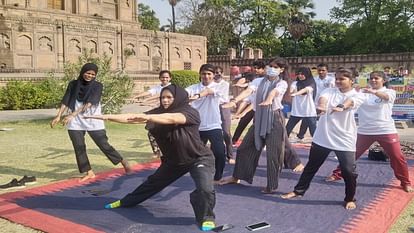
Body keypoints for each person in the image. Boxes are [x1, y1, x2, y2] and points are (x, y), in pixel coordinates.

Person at [85, 84, 217, 231]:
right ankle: (126, 202)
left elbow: (172, 118)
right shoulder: (156, 112)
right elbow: (131, 118)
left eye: (169, 97)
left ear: (177, 97)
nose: (165, 100)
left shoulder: (189, 111)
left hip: (199, 157)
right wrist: (105, 117)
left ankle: (207, 217)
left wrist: (147, 117)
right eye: (162, 97)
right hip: (174, 161)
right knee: (152, 183)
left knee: (205, 188)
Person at [281, 68, 364, 210]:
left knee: (349, 171)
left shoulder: (358, 95)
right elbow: (323, 99)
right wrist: (322, 106)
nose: (338, 81)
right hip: (323, 137)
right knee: (311, 167)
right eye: (337, 78)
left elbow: (350, 102)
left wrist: (341, 107)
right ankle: (298, 190)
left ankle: (350, 198)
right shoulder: (329, 91)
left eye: (342, 79)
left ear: (351, 81)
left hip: (344, 139)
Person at [220, 58, 302, 193]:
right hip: (259, 119)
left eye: (275, 67)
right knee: (244, 148)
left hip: (274, 118)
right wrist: (234, 101)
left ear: (281, 70)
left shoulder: (282, 83)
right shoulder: (258, 81)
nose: (271, 69)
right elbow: (248, 91)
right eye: (270, 66)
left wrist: (269, 99)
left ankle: (271, 185)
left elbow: (274, 92)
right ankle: (237, 177)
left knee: (273, 154)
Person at [325, 71, 413, 192]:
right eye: (371, 78)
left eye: (376, 78)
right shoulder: (362, 93)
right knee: (351, 155)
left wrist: (374, 92)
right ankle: (337, 174)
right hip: (364, 131)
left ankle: (405, 182)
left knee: (397, 157)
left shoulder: (389, 92)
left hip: (386, 130)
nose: (373, 80)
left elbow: (386, 98)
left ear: (383, 80)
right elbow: (350, 101)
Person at [50, 63, 132, 182]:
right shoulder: (73, 84)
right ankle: (89, 172)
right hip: (75, 121)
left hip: (92, 118)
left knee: (103, 144)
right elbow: (66, 99)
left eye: (93, 74)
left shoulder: (97, 86)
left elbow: (89, 103)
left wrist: (72, 114)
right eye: (88, 73)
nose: (90, 76)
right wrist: (58, 116)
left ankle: (123, 161)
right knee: (79, 146)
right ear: (83, 71)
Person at [186, 64, 227, 183]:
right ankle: (198, 174)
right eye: (204, 73)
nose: (206, 76)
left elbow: (208, 91)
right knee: (194, 153)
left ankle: (217, 177)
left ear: (214, 75)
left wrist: (197, 96)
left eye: (209, 74)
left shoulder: (219, 87)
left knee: (219, 152)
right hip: (197, 126)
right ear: (200, 74)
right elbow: (181, 94)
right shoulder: (192, 88)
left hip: (214, 125)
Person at [135, 70, 172, 158]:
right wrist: (136, 96)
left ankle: (170, 151)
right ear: (159, 78)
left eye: (167, 77)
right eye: (163, 77)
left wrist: (146, 100)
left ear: (170, 78)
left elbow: (159, 95)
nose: (165, 79)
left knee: (169, 133)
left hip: (168, 114)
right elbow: (149, 92)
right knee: (151, 132)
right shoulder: (157, 87)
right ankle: (157, 152)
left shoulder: (172, 88)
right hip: (157, 113)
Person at [296, 63, 335, 141]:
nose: (321, 72)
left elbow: (333, 91)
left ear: (327, 71)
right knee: (308, 118)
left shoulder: (331, 80)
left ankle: (327, 136)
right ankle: (302, 135)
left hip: (326, 103)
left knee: (325, 120)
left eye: (323, 70)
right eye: (319, 70)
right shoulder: (313, 79)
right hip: (313, 102)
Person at [285, 67, 317, 139]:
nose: (300, 76)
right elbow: (291, 89)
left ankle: (317, 145)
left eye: (302, 74)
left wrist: (296, 94)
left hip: (309, 111)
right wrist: (290, 92)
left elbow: (306, 90)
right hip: (296, 110)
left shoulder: (311, 83)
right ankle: (283, 144)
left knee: (313, 131)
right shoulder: (295, 83)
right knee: (287, 129)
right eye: (298, 74)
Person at [214, 66, 234, 164]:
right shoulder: (211, 84)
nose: (218, 74)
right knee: (213, 132)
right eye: (216, 72)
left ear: (222, 73)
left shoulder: (225, 84)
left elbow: (219, 95)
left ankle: (230, 155)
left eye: (219, 72)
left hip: (224, 107)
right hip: (213, 108)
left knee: (226, 132)